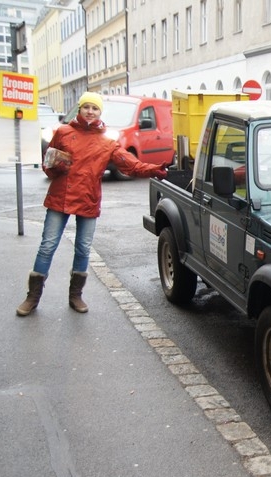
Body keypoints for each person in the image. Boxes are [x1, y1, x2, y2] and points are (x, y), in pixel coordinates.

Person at [16, 92, 168, 317]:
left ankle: (75, 295)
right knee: (47, 245)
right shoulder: (63, 132)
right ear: (79, 109)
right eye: (86, 107)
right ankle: (33, 297)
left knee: (83, 248)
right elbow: (47, 164)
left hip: (88, 199)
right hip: (60, 198)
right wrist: (55, 167)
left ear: (99, 112)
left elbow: (130, 164)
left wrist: (153, 169)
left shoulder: (107, 141)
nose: (90, 111)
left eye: (94, 108)